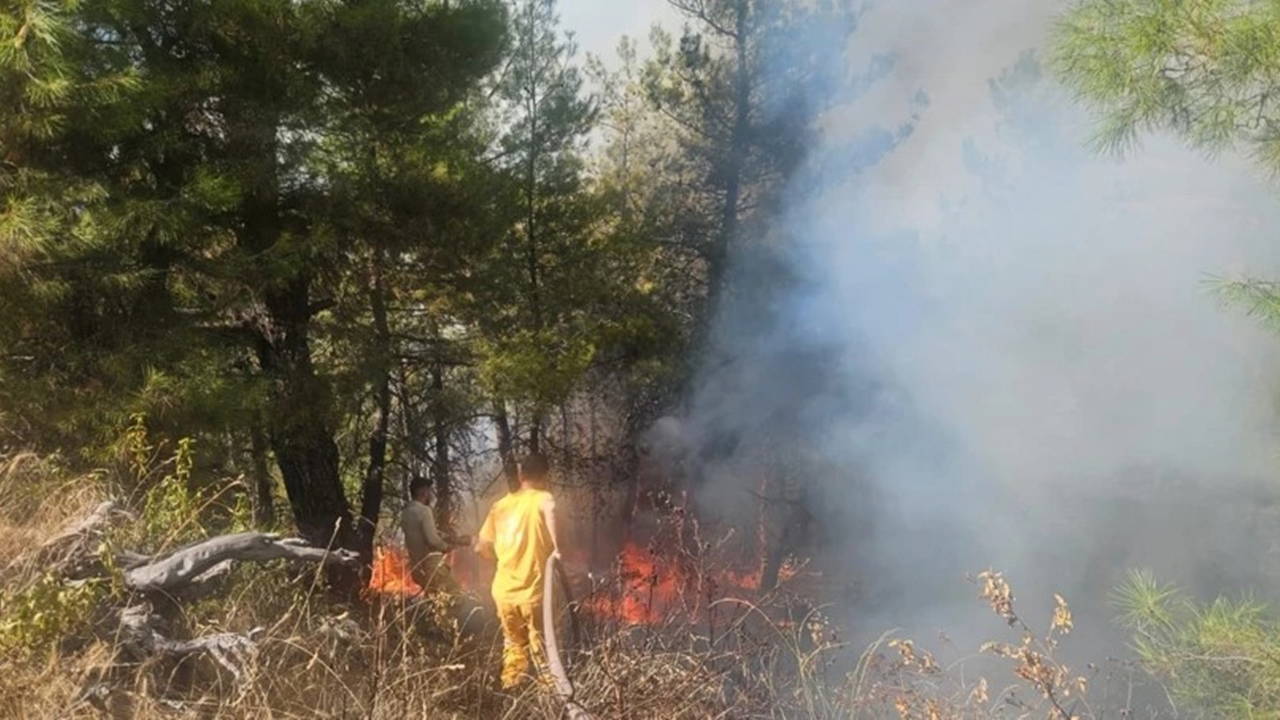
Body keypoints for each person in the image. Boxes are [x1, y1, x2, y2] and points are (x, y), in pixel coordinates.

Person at [474, 452, 560, 689]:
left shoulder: (499, 506)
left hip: (503, 591)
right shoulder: (543, 498)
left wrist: (500, 558)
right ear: (546, 476)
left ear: (521, 475)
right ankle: (548, 700)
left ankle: (511, 694)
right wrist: (558, 548)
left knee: (513, 646)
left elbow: (481, 548)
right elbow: (550, 508)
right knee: (543, 648)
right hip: (533, 592)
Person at [401, 476, 465, 592]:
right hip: (432, 567)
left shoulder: (405, 513)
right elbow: (432, 540)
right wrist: (447, 547)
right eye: (429, 490)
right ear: (423, 492)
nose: (431, 494)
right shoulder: (424, 511)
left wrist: (451, 539)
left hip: (417, 570)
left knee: (434, 600)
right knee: (455, 597)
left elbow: (420, 536)